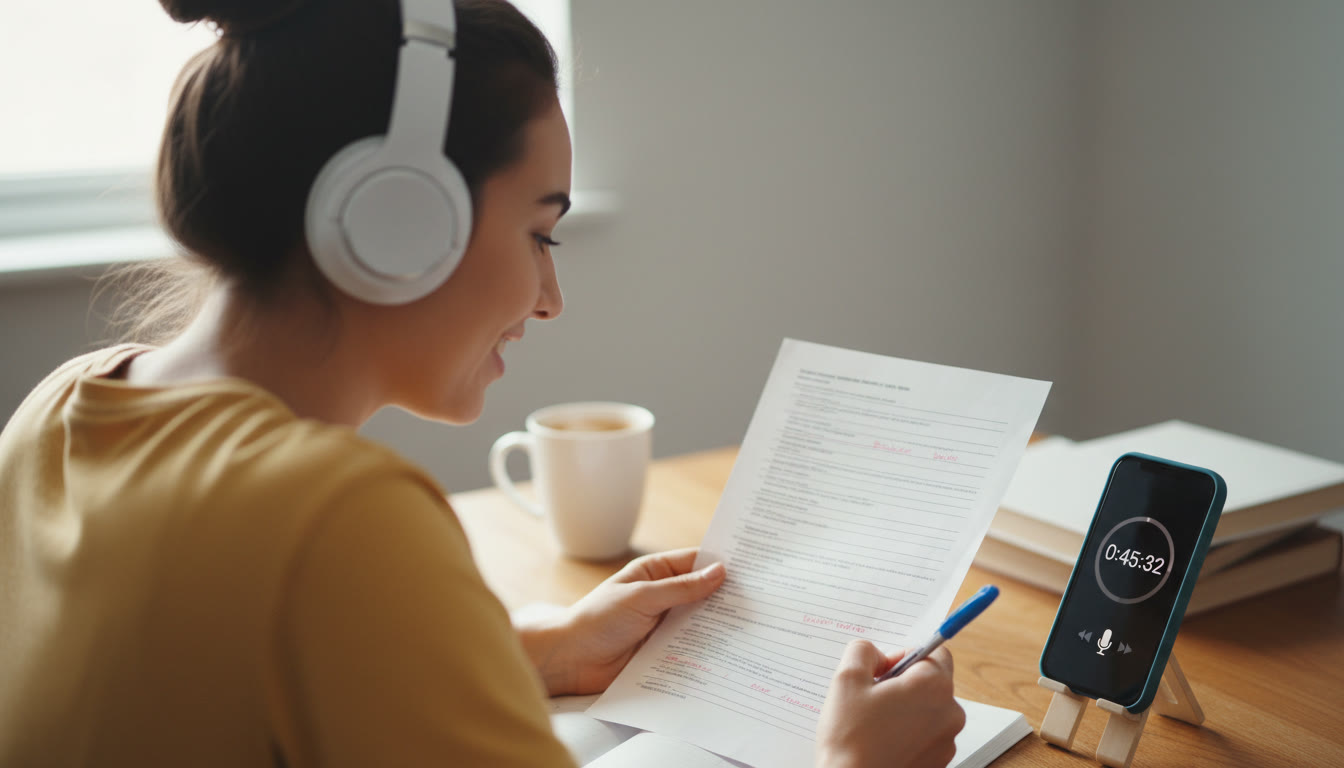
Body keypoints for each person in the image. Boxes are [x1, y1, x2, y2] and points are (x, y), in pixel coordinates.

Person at [0, 0, 964, 765]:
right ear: (397, 223)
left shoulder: (58, 411)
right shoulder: (332, 514)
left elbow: (211, 674)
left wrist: (546, 649)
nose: (550, 299)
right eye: (540, 233)